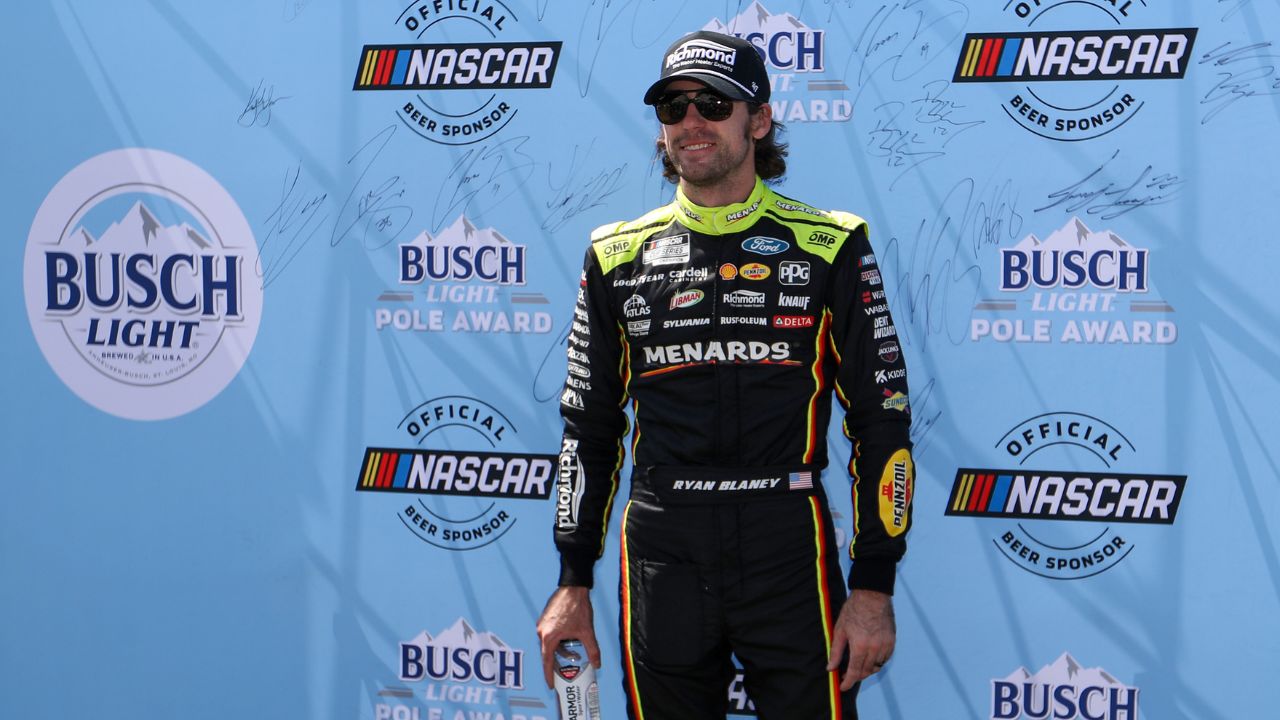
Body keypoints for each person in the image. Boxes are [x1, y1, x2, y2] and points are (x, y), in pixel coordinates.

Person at [537, 29, 914, 720]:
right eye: (672, 108)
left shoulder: (830, 244)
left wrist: (874, 588)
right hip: (663, 545)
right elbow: (587, 430)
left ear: (760, 119)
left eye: (713, 103)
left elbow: (882, 421)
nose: (690, 123)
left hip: (786, 539)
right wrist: (572, 580)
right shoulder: (617, 255)